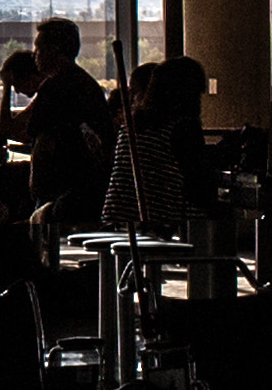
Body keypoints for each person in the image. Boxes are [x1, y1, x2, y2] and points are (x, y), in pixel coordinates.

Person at [14, 17, 113, 229]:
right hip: (89, 189)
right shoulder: (90, 86)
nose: (34, 55)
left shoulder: (52, 88)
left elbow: (44, 142)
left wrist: (36, 187)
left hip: (57, 190)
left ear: (55, 50)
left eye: (38, 48)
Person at [103, 54, 213, 235]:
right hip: (158, 224)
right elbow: (198, 187)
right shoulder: (181, 127)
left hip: (116, 219)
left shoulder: (131, 126)